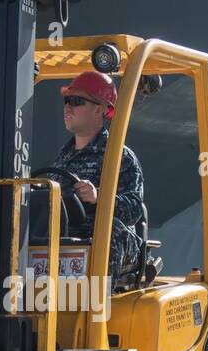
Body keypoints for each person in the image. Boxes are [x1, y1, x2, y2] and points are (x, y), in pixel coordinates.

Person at [49, 70, 147, 284]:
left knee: (108, 231)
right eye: (67, 100)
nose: (68, 107)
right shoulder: (62, 157)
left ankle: (97, 310)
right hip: (68, 236)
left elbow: (134, 209)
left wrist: (98, 197)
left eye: (76, 101)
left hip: (109, 242)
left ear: (99, 109)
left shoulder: (119, 156)